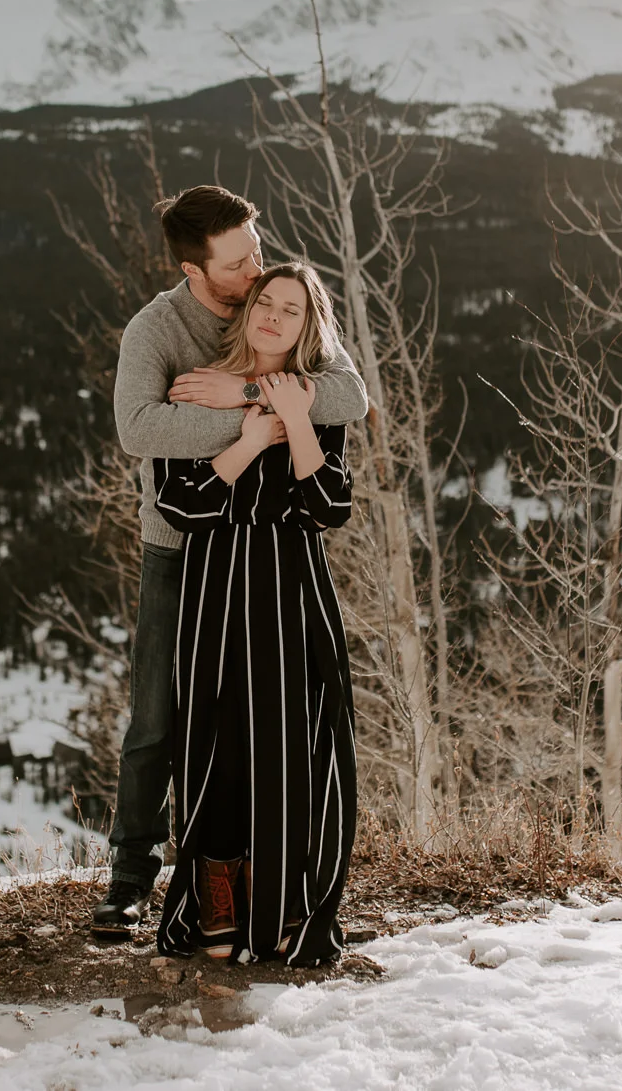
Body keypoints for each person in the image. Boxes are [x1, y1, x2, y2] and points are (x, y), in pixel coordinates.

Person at [92, 187, 367, 940]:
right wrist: (247, 421)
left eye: (255, 245)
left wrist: (250, 388)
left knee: (252, 725)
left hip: (270, 557)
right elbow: (139, 426)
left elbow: (349, 393)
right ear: (194, 266)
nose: (256, 265)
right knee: (158, 715)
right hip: (181, 545)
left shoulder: (281, 304)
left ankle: (244, 881)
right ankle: (129, 875)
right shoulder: (157, 329)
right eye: (239, 259)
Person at [150, 261, 358, 965]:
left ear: (309, 324)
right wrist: (245, 436)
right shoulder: (201, 385)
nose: (273, 315)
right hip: (214, 590)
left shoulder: (320, 398)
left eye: (291, 309)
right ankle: (217, 895)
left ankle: (278, 905)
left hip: (292, 587)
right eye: (264, 301)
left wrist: (295, 420)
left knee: (289, 748)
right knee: (215, 746)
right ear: (247, 311)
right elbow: (181, 503)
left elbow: (327, 507)